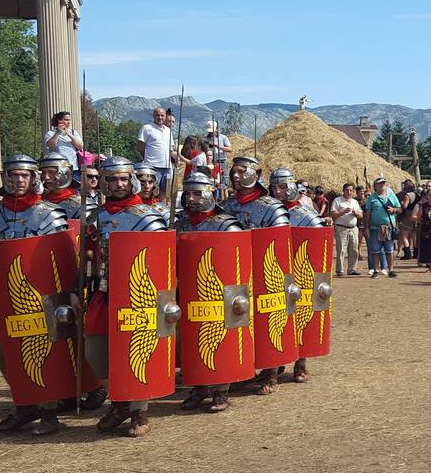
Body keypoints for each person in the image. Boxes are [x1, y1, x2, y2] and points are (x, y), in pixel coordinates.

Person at [0, 155, 73, 433]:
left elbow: (62, 259)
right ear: (5, 178)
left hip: (41, 296)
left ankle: (49, 412)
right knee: (4, 354)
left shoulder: (49, 214)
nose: (19, 180)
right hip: (6, 296)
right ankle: (26, 405)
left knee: (46, 352)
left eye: (25, 175)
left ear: (34, 178)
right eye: (14, 175)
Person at [84, 156, 170, 435]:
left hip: (138, 294)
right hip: (104, 291)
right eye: (113, 179)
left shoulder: (148, 218)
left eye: (123, 179)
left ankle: (138, 413)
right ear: (105, 183)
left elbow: (160, 261)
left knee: (137, 350)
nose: (119, 184)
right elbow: (89, 258)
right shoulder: (96, 217)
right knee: (95, 353)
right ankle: (120, 403)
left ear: (131, 180)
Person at [217, 155, 291, 394]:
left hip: (264, 272)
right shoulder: (226, 206)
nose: (236, 176)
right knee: (239, 322)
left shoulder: (272, 207)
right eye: (234, 172)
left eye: (242, 171)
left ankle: (271, 371)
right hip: (236, 274)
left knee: (267, 321)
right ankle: (244, 369)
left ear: (256, 175)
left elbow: (278, 243)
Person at [173, 171, 244, 414]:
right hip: (186, 291)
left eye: (197, 193)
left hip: (217, 293)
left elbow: (236, 262)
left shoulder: (226, 225)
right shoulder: (180, 224)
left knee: (219, 339)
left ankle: (221, 389)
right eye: (188, 194)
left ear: (210, 193)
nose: (191, 198)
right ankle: (199, 387)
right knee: (189, 340)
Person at [269, 167, 326, 384]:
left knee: (300, 319)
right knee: (274, 321)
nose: (278, 192)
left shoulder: (307, 216)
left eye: (283, 187)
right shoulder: (267, 212)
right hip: (274, 275)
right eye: (274, 187)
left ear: (292, 187)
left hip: (299, 275)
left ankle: (301, 363)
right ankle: (272, 368)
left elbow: (317, 248)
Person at [363, 177, 401, 278]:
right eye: (379, 183)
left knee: (390, 250)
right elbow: (367, 213)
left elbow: (399, 209)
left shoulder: (391, 196)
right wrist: (366, 227)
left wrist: (394, 210)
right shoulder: (371, 198)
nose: (382, 185)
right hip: (375, 227)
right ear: (375, 186)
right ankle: (376, 270)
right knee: (375, 250)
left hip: (389, 227)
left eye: (383, 183)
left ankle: (391, 270)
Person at [137, 107, 175, 196]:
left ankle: (162, 205)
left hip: (167, 167)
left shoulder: (168, 131)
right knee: (151, 191)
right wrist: (147, 159)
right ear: (153, 116)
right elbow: (140, 147)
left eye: (162, 115)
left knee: (165, 192)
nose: (160, 117)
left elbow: (170, 149)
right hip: (153, 167)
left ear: (165, 117)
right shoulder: (146, 128)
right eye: (157, 115)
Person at [330, 183, 363, 276]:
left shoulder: (355, 202)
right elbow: (333, 214)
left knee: (354, 249)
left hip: (353, 228)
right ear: (343, 191)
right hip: (341, 228)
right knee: (341, 250)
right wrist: (343, 212)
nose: (349, 192)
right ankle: (340, 270)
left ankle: (352, 269)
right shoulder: (337, 201)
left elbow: (361, 215)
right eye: (347, 190)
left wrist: (356, 214)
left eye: (351, 190)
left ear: (353, 192)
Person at [39, 153, 83, 220]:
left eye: (51, 172)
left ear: (65, 173)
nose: (46, 177)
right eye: (43, 172)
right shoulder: (39, 200)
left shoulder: (82, 205)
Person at [43, 111, 82, 176]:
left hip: (73, 167)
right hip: (58, 166)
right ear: (59, 121)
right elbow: (51, 146)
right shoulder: (50, 133)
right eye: (66, 120)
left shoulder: (73, 132)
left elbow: (80, 146)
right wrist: (58, 133)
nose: (69, 122)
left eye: (69, 120)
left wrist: (70, 135)